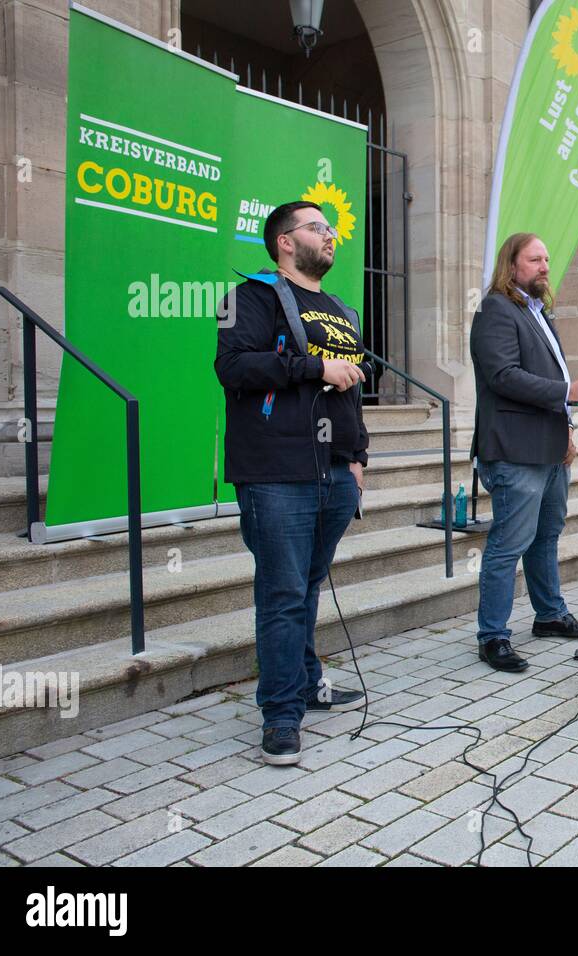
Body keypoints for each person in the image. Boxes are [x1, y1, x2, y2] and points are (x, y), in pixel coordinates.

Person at [215, 200, 370, 766]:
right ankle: (281, 715)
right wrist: (313, 368)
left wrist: (358, 459)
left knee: (306, 586)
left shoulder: (339, 308)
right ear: (284, 241)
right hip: (276, 471)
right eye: (317, 227)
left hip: (335, 472)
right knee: (282, 593)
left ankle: (307, 683)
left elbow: (350, 392)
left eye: (330, 228)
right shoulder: (249, 298)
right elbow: (233, 368)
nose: (330, 235)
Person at [470, 233, 578, 673]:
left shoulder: (539, 312)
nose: (545, 266)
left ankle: (548, 615)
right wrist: (570, 390)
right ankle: (493, 636)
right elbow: (503, 376)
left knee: (546, 536)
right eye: (535, 259)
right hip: (514, 450)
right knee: (509, 543)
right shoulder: (496, 308)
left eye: (548, 258)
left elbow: (550, 382)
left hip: (549, 447)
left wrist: (567, 427)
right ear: (512, 266)